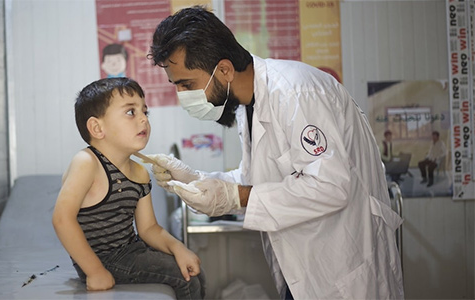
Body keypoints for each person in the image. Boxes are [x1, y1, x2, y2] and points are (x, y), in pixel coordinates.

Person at [145, 6, 404, 299]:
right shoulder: (248, 103)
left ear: (225, 69)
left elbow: (331, 185)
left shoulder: (295, 92)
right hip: (303, 267)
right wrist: (196, 179)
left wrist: (234, 196)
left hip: (343, 266)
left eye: (187, 84)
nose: (182, 95)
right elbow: (254, 178)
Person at [52, 77, 205, 299]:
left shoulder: (139, 172)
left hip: (132, 250)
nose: (143, 119)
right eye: (131, 112)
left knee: (194, 270)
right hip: (102, 259)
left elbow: (149, 228)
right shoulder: (87, 163)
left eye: (145, 112)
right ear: (97, 127)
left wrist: (178, 248)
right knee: (184, 278)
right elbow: (62, 219)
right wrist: (95, 271)